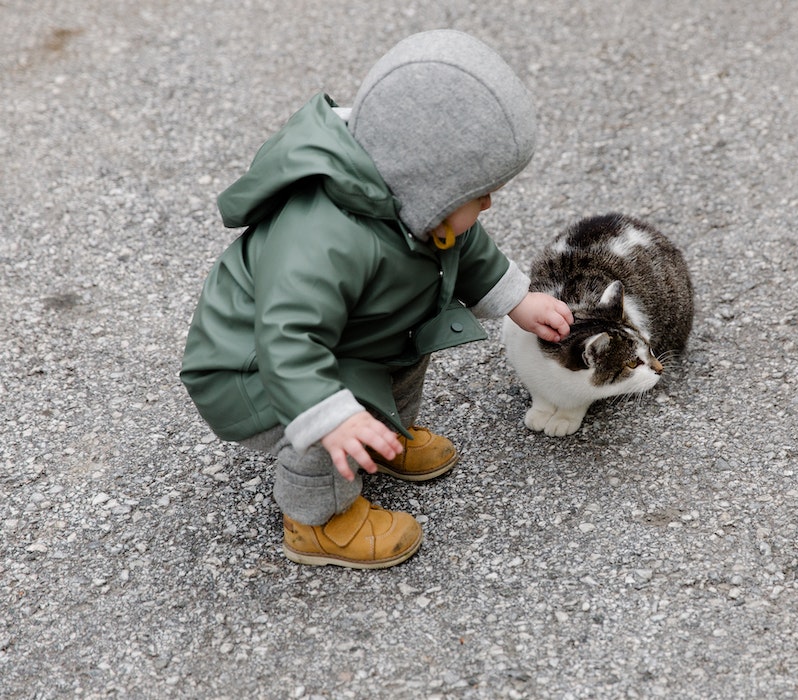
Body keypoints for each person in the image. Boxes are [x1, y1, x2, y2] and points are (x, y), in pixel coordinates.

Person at [180, 30, 573, 570]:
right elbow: (286, 338)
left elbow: (466, 245)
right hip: (255, 369)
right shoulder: (322, 237)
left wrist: (516, 299)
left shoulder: (418, 205)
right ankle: (317, 521)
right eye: (477, 192)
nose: (487, 201)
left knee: (410, 350)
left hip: (352, 337)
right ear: (426, 183)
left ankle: (384, 437)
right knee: (332, 419)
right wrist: (333, 417)